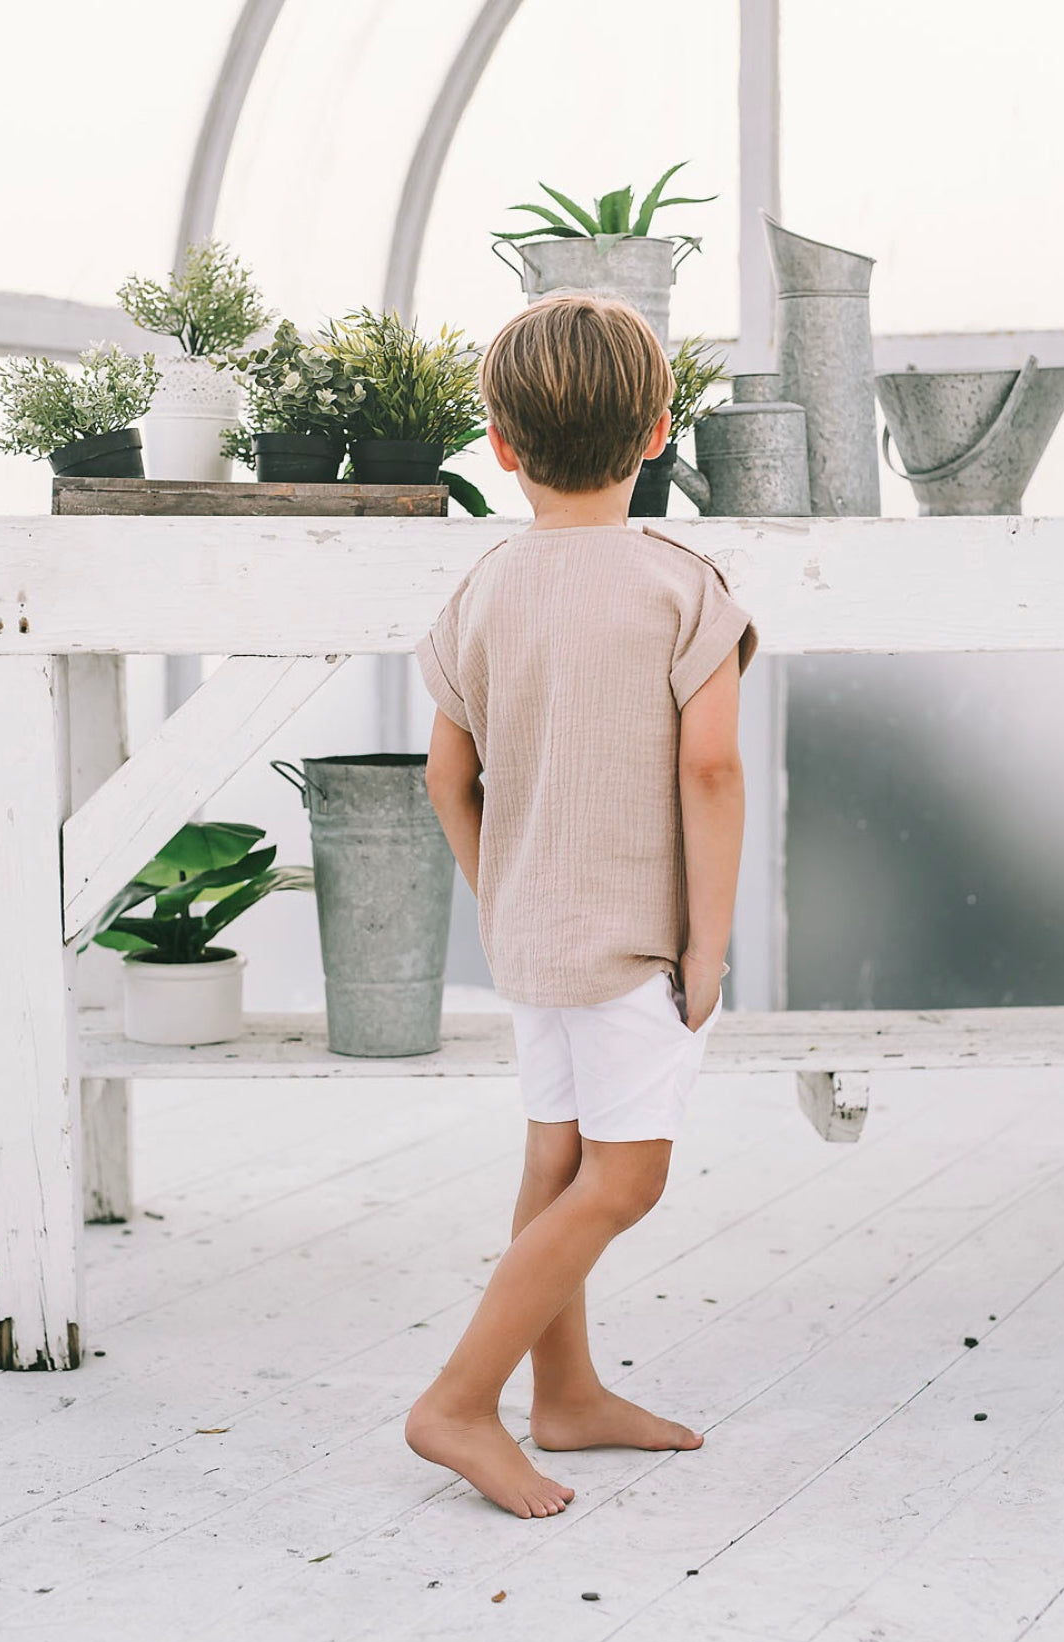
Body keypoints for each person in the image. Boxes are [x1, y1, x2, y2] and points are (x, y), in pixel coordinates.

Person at [408, 291, 759, 1519]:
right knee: (625, 1181)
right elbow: (709, 770)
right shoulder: (684, 585)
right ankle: (459, 1401)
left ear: (498, 445)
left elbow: (451, 779)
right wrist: (706, 943)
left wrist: (499, 891)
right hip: (628, 947)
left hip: (534, 937)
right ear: (660, 429)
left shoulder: (481, 592)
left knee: (556, 1157)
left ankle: (564, 1394)